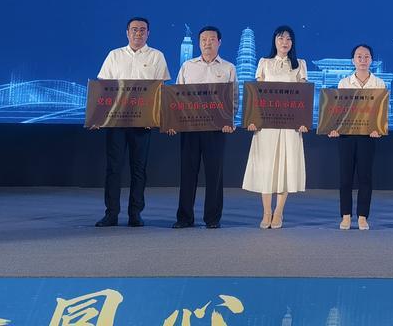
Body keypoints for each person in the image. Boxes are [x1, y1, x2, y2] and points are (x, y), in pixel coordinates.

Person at [94, 17, 170, 227]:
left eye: (143, 30)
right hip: (116, 122)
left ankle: (135, 213)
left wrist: (154, 117)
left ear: (148, 33)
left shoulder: (156, 56)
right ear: (127, 32)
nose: (138, 33)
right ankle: (111, 214)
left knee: (139, 169)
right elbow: (104, 88)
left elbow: (160, 90)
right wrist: (98, 117)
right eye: (134, 29)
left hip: (142, 123)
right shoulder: (114, 55)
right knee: (113, 169)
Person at [242, 25, 308, 230]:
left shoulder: (300, 64)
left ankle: (278, 211)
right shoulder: (264, 63)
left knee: (285, 167)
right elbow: (257, 96)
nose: (284, 42)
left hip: (289, 126)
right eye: (281, 38)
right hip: (267, 125)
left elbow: (303, 97)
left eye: (288, 39)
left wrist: (303, 121)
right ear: (274, 41)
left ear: (292, 43)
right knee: (267, 167)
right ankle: (266, 212)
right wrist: (252, 119)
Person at [170, 26, 236, 229]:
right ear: (199, 43)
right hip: (190, 128)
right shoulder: (187, 66)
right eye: (204, 39)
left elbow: (233, 99)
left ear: (219, 42)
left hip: (216, 130)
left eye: (212, 39)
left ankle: (213, 218)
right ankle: (184, 218)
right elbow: (177, 96)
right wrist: (174, 122)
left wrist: (229, 121)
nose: (208, 43)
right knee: (187, 173)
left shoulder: (228, 68)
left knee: (214, 175)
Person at [330, 44, 385, 230]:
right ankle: (346, 216)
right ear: (353, 60)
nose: (363, 60)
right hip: (346, 136)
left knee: (365, 178)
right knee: (345, 178)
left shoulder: (379, 84)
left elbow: (381, 112)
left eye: (366, 56)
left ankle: (362, 217)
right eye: (359, 56)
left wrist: (378, 128)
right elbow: (338, 111)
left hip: (368, 136)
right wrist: (335, 128)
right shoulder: (344, 83)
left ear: (371, 60)